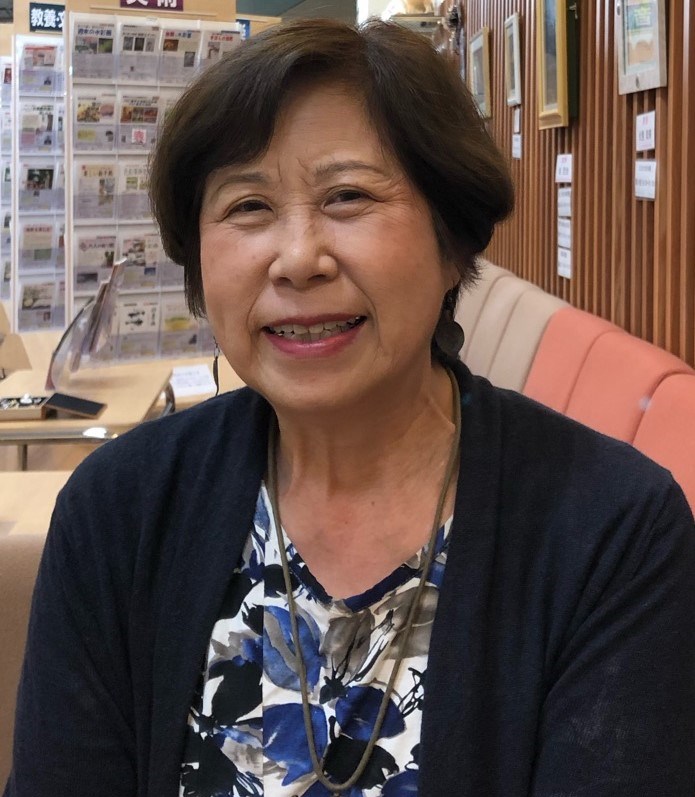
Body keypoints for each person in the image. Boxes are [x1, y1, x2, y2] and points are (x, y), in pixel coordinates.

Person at [5, 18, 695, 797]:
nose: (298, 258)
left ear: (450, 242)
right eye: (248, 206)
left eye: (347, 196)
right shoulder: (118, 511)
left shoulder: (612, 531)